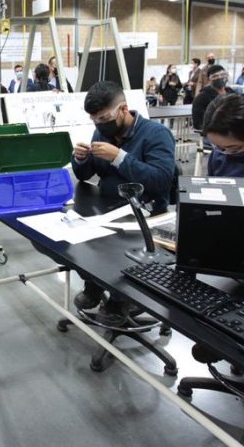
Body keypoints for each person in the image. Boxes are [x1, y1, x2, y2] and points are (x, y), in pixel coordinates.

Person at [71, 81, 177, 324]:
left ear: (123, 109)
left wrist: (119, 157)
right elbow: (85, 175)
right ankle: (95, 283)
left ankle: (123, 298)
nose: (99, 124)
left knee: (119, 251)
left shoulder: (156, 134)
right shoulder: (102, 132)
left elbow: (161, 181)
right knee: (77, 246)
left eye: (104, 118)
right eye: (94, 120)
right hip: (108, 209)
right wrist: (80, 159)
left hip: (146, 214)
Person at [191, 65, 233, 130]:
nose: (220, 77)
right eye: (215, 76)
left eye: (222, 75)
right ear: (209, 80)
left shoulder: (233, 94)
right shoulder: (202, 98)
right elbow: (198, 123)